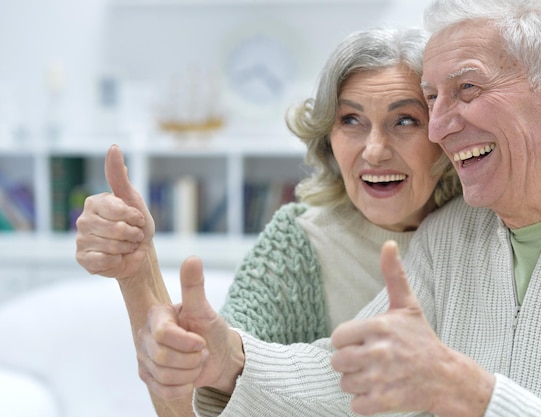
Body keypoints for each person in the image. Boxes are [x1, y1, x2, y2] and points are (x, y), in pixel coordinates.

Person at [139, 0, 541, 415]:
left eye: (468, 89)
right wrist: (231, 360)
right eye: (433, 99)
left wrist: (467, 391)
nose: (437, 130)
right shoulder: (452, 233)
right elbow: (350, 374)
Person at [75, 27, 461, 416]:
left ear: (442, 131)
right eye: (351, 119)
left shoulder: (487, 228)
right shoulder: (297, 245)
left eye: (405, 121)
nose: (374, 151)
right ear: (328, 135)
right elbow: (199, 394)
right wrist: (139, 272)